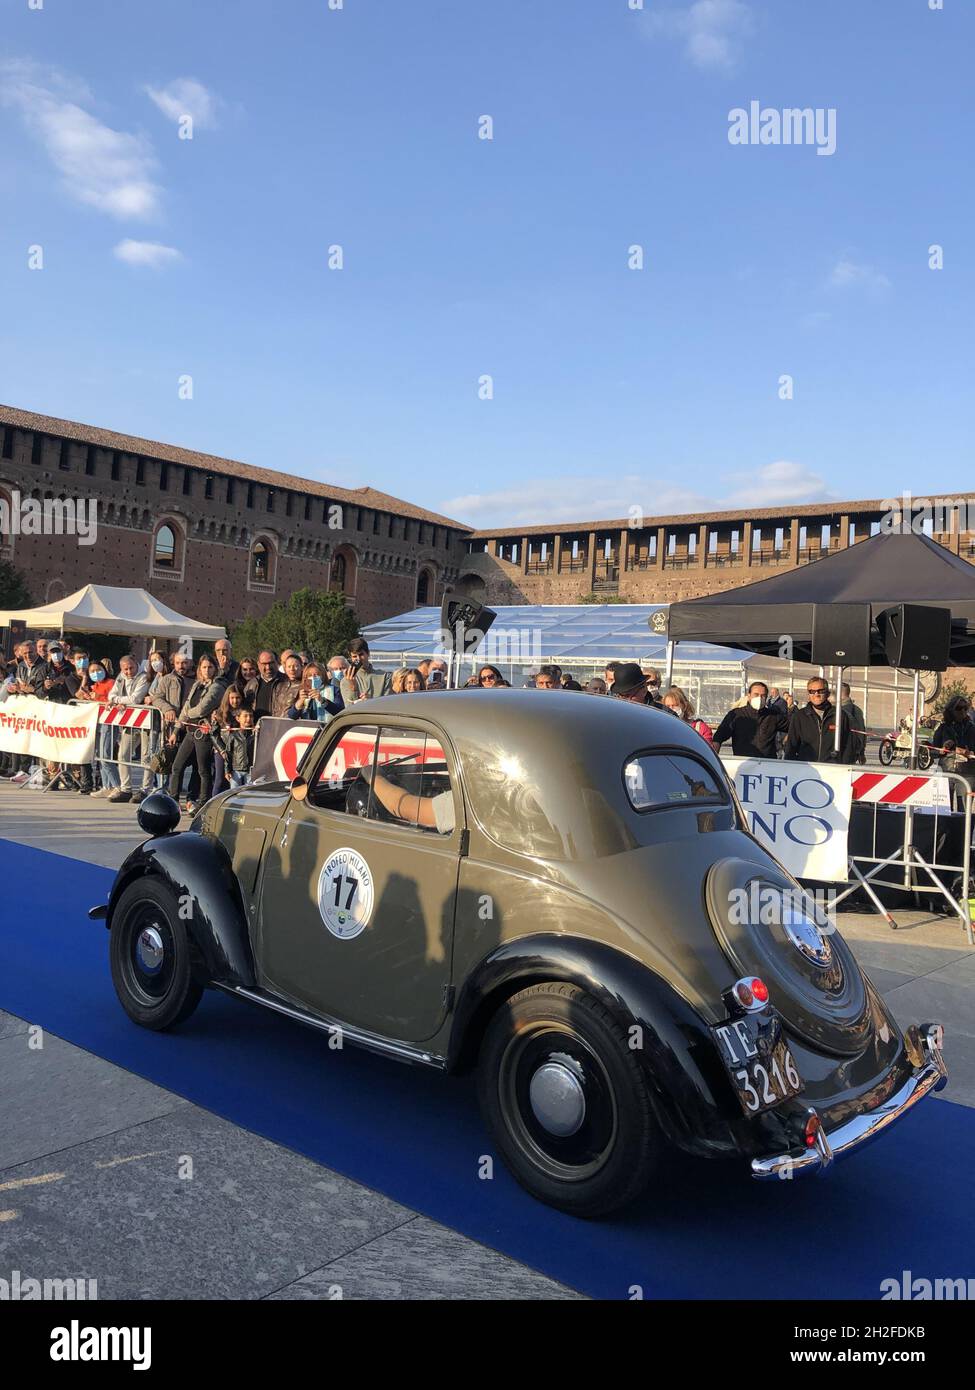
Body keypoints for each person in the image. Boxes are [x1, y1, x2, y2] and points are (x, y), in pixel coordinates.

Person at [167, 655, 222, 813]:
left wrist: (188, 714)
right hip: (191, 731)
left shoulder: (217, 686)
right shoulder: (197, 684)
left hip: (204, 733)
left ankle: (203, 802)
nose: (207, 670)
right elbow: (186, 707)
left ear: (215, 668)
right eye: (204, 667)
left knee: (202, 770)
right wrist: (176, 730)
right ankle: (173, 800)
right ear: (199, 669)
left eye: (210, 667)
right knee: (177, 766)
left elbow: (202, 709)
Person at [105, 655, 151, 802]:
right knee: (123, 754)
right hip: (130, 723)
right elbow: (111, 694)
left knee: (146, 757)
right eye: (126, 669)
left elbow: (135, 699)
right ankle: (126, 789)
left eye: (131, 668)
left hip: (146, 723)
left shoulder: (144, 677)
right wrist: (116, 700)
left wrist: (117, 700)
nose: (129, 672)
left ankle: (145, 789)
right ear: (121, 669)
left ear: (137, 664)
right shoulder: (121, 677)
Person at [784, 678, 853, 763]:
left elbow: (848, 746)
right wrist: (789, 766)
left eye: (821, 691)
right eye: (812, 691)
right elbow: (791, 746)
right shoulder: (799, 716)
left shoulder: (839, 716)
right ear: (808, 694)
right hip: (806, 767)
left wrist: (844, 765)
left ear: (827, 693)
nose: (816, 694)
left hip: (832, 768)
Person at [712, 681, 786, 759]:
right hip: (743, 762)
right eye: (756, 695)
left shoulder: (773, 716)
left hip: (767, 762)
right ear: (749, 696)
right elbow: (719, 736)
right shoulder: (736, 715)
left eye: (763, 695)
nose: (759, 698)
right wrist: (714, 759)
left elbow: (791, 727)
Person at [931, 695, 975, 804]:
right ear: (951, 710)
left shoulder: (972, 728)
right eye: (959, 708)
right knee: (944, 808)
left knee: (964, 809)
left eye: (965, 708)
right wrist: (942, 749)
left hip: (967, 772)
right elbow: (933, 751)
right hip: (947, 770)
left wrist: (969, 753)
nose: (962, 711)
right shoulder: (942, 728)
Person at [341, 639, 391, 703]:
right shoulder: (346, 681)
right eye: (355, 656)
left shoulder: (384, 676)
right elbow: (349, 706)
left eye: (361, 654)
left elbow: (388, 703)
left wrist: (371, 701)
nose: (358, 659)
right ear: (351, 658)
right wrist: (353, 688)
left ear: (368, 653)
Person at [271, 653, 304, 718]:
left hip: (293, 722)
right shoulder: (280, 684)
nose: (292, 669)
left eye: (296, 666)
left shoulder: (304, 686)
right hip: (276, 721)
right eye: (289, 666)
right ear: (285, 668)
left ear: (302, 667)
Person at [841, 683, 867, 764]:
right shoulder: (857, 710)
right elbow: (862, 732)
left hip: (841, 751)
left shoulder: (837, 710)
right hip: (853, 751)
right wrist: (861, 752)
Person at [253, 650, 283, 719]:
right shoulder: (251, 684)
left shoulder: (287, 683)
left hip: (279, 724)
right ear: (258, 664)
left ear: (277, 662)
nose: (268, 667)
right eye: (264, 664)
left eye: (271, 663)